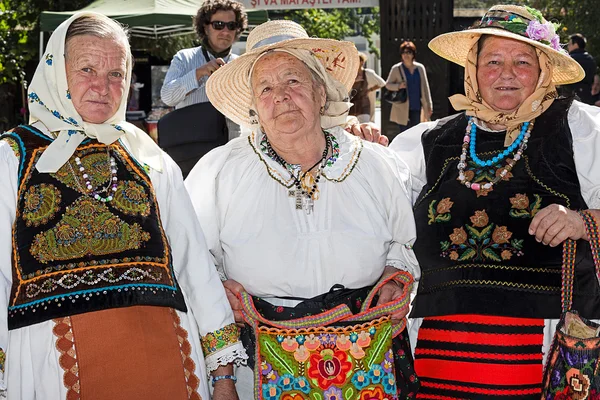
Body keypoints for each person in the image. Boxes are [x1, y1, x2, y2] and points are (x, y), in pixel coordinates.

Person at [0, 12, 246, 399]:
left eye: (116, 73)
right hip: (51, 367)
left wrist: (223, 375)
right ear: (55, 72)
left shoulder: (148, 156)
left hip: (164, 358)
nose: (103, 86)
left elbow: (193, 262)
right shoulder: (12, 157)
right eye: (87, 69)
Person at [185, 20, 421, 400]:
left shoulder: (377, 164)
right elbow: (196, 266)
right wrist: (222, 375)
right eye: (265, 87)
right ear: (253, 106)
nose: (280, 96)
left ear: (320, 90)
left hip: (366, 365)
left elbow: (403, 245)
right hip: (258, 364)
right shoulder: (218, 172)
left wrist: (396, 279)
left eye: (293, 80)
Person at [386, 5, 600, 398]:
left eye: (522, 61)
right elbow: (381, 213)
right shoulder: (430, 141)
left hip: (545, 350)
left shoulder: (580, 128)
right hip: (438, 349)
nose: (505, 73)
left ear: (543, 71)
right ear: (473, 69)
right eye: (493, 61)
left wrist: (584, 220)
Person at [160, 0, 247, 140]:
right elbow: (168, 98)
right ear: (206, 28)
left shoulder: (241, 64)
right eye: (218, 25)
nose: (225, 31)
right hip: (192, 146)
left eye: (231, 25)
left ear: (237, 29)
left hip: (231, 146)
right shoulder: (184, 57)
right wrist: (198, 73)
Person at [385, 41, 433, 134]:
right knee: (404, 133)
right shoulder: (396, 68)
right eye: (404, 52)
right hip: (402, 106)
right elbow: (388, 85)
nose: (406, 55)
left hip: (416, 106)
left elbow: (425, 88)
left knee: (416, 132)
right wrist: (398, 86)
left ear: (413, 54)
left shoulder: (420, 68)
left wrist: (429, 105)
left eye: (409, 52)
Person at [349, 53, 386, 123]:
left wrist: (370, 90)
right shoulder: (350, 74)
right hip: (352, 106)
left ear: (362, 62)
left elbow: (382, 83)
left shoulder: (368, 73)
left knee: (365, 125)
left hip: (364, 105)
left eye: (357, 60)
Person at [562, 33, 597, 104]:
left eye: (569, 44)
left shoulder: (571, 59)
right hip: (588, 96)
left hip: (572, 98)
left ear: (575, 45)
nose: (568, 47)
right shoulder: (591, 59)